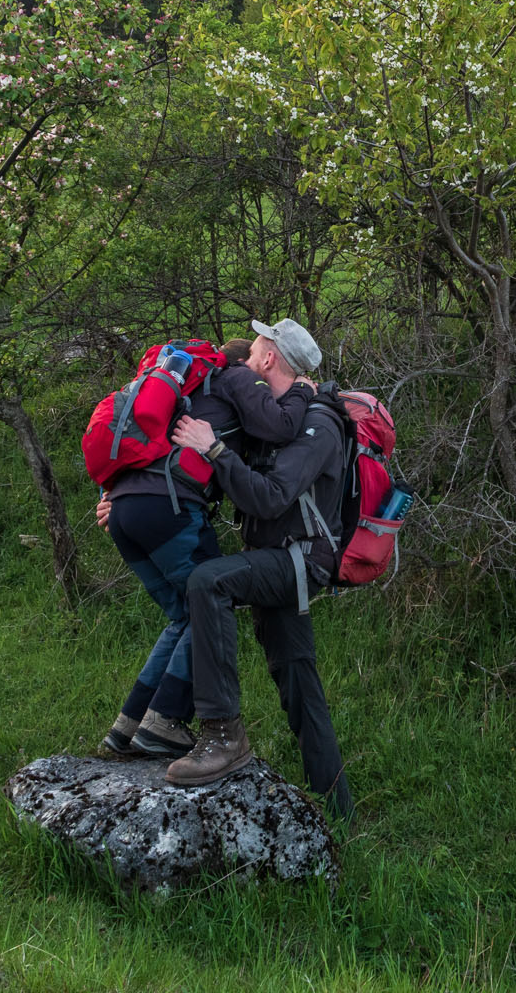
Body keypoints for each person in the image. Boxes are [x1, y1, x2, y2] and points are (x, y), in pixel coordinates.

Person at [164, 317, 355, 820]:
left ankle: (221, 734)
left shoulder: (318, 425)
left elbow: (269, 497)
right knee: (297, 678)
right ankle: (339, 808)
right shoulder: (268, 420)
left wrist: (215, 448)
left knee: (208, 582)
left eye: (255, 348)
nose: (247, 356)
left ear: (269, 358)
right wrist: (122, 502)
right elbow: (229, 482)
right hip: (276, 559)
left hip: (299, 563)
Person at [96, 336, 313, 761]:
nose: (256, 366)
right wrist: (305, 390)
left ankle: (129, 725)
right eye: (251, 357)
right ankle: (163, 721)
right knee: (212, 601)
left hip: (125, 509)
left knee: (184, 615)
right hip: (169, 508)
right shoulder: (235, 377)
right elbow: (281, 427)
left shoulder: (185, 390)